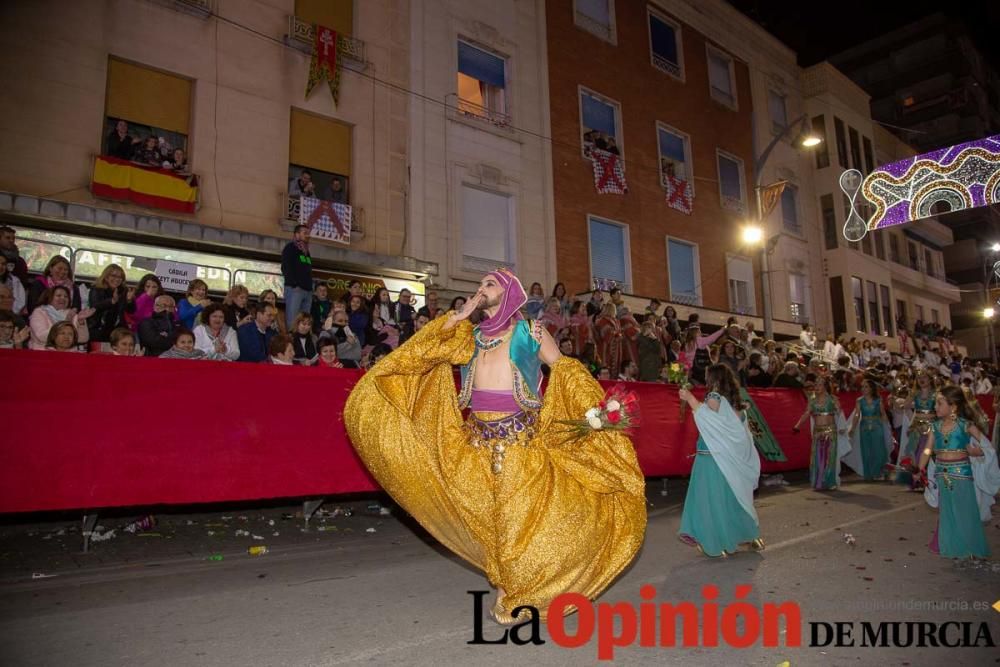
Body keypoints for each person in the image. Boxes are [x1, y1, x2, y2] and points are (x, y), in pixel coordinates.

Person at [344, 268, 646, 625]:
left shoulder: (529, 331)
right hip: (475, 442)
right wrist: (457, 315)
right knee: (486, 519)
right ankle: (507, 583)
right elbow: (423, 350)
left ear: (509, 293)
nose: (480, 290)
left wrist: (593, 410)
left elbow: (563, 368)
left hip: (519, 446)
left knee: (515, 523)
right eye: (479, 285)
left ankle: (516, 592)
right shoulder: (469, 335)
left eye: (489, 285)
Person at [677, 364, 763, 557]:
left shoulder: (714, 398)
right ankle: (747, 536)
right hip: (726, 459)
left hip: (712, 458)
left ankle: (716, 544)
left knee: (708, 501)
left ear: (714, 379)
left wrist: (690, 399)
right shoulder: (735, 403)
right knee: (729, 498)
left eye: (707, 376)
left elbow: (715, 424)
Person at [918, 386, 1000, 559]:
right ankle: (953, 548)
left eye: (939, 404)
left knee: (965, 512)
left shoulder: (965, 425)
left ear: (953, 406)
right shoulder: (935, 426)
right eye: (935, 403)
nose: (935, 407)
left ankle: (971, 548)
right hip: (942, 474)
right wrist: (920, 468)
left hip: (962, 475)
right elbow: (927, 449)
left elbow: (987, 446)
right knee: (947, 513)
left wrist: (977, 452)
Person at [793, 376, 850, 491]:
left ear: (825, 387)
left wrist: (842, 426)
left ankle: (829, 481)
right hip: (818, 431)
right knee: (818, 456)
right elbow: (806, 414)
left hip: (830, 430)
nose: (817, 387)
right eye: (816, 385)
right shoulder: (812, 400)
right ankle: (818, 481)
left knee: (830, 457)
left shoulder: (832, 399)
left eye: (820, 384)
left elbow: (840, 414)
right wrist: (797, 425)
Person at [895, 371, 936, 488]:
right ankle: (916, 479)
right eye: (919, 378)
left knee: (929, 452)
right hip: (917, 427)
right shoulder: (915, 394)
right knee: (913, 452)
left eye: (924, 377)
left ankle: (929, 479)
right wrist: (910, 394)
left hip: (931, 427)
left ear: (930, 379)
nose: (922, 380)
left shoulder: (936, 394)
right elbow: (904, 406)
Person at [846, 380, 893, 481]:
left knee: (879, 451)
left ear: (871, 388)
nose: (863, 389)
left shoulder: (878, 400)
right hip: (864, 428)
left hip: (877, 427)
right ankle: (869, 474)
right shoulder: (859, 400)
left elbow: (883, 414)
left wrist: (888, 428)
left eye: (866, 387)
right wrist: (852, 428)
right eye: (862, 387)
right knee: (866, 451)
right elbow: (857, 415)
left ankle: (880, 472)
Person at [28, 286, 92, 350]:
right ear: (49, 297)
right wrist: (66, 321)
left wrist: (81, 321)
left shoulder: (71, 313)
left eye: (66, 296)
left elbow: (83, 339)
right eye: (58, 296)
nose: (63, 298)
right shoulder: (39, 312)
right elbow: (41, 336)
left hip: (68, 354)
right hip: (43, 353)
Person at [87, 264, 132, 347]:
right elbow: (95, 307)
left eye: (120, 277)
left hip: (117, 330)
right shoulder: (96, 289)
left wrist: (130, 301)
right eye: (114, 276)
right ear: (106, 277)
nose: (117, 279)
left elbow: (131, 310)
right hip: (98, 328)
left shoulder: (123, 291)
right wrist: (111, 301)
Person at [281, 225, 313, 331]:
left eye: (308, 233)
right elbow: (285, 267)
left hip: (307, 290)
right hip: (295, 289)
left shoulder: (306, 252)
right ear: (297, 234)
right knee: (292, 319)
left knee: (305, 319)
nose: (307, 235)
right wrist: (294, 284)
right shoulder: (290, 248)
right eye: (304, 233)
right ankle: (291, 340)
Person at [594, 302, 624, 378]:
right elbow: (604, 334)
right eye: (614, 309)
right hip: (605, 347)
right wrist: (615, 334)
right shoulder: (602, 320)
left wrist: (618, 334)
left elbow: (619, 332)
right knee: (605, 364)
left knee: (615, 367)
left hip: (616, 347)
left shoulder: (616, 321)